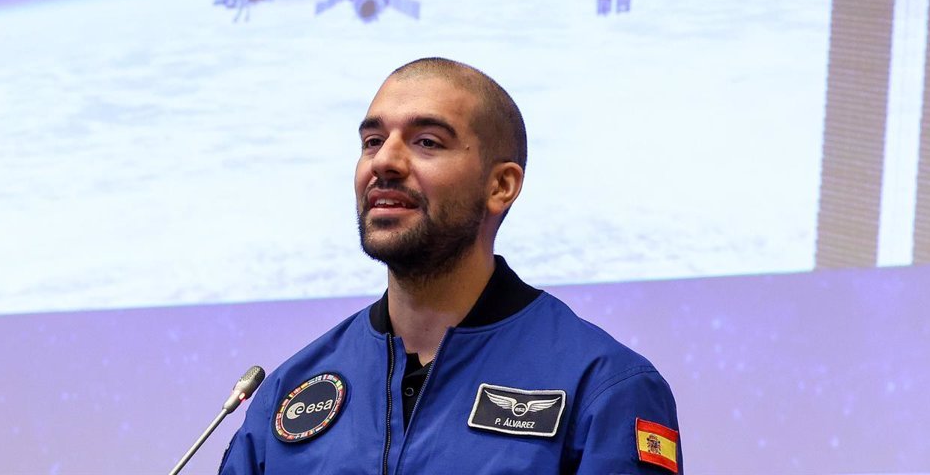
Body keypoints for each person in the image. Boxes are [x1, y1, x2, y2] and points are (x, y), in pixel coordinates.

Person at [218, 57, 683, 474]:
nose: (385, 161)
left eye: (426, 142)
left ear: (501, 185)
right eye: (372, 140)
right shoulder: (289, 392)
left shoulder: (603, 386)